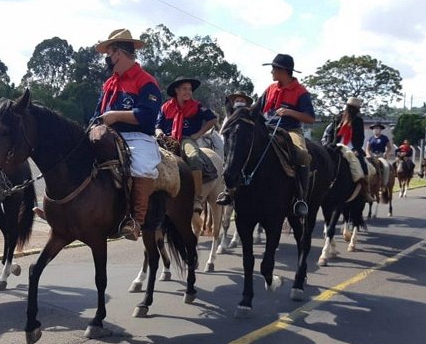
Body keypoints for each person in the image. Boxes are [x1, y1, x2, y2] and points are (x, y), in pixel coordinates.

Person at [217, 54, 314, 217]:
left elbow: (310, 118)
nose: (271, 72)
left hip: (290, 130)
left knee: (302, 155)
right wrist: (241, 113)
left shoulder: (301, 92)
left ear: (283, 70)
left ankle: (300, 199)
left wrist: (290, 112)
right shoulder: (270, 88)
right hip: (267, 128)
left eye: (274, 68)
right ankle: (231, 191)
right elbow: (257, 108)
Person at [92, 28, 162, 241]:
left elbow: (148, 116)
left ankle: (135, 221)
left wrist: (115, 116)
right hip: (107, 134)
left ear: (118, 53)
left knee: (142, 165)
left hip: (137, 137)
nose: (107, 58)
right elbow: (97, 112)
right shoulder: (109, 83)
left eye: (109, 53)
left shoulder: (146, 81)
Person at [156, 77, 218, 212]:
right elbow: (158, 126)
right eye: (185, 89)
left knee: (194, 156)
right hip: (166, 139)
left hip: (185, 138)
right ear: (176, 91)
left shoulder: (198, 107)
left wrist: (198, 134)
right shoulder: (165, 107)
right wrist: (160, 134)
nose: (188, 92)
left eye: (190, 89)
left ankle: (197, 198)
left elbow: (213, 119)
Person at [334, 97, 375, 202]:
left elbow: (360, 137)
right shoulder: (338, 118)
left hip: (352, 148)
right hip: (338, 146)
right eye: (351, 107)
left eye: (354, 108)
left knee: (364, 166)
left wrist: (357, 149)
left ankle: (366, 191)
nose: (352, 109)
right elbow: (334, 134)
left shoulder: (358, 120)